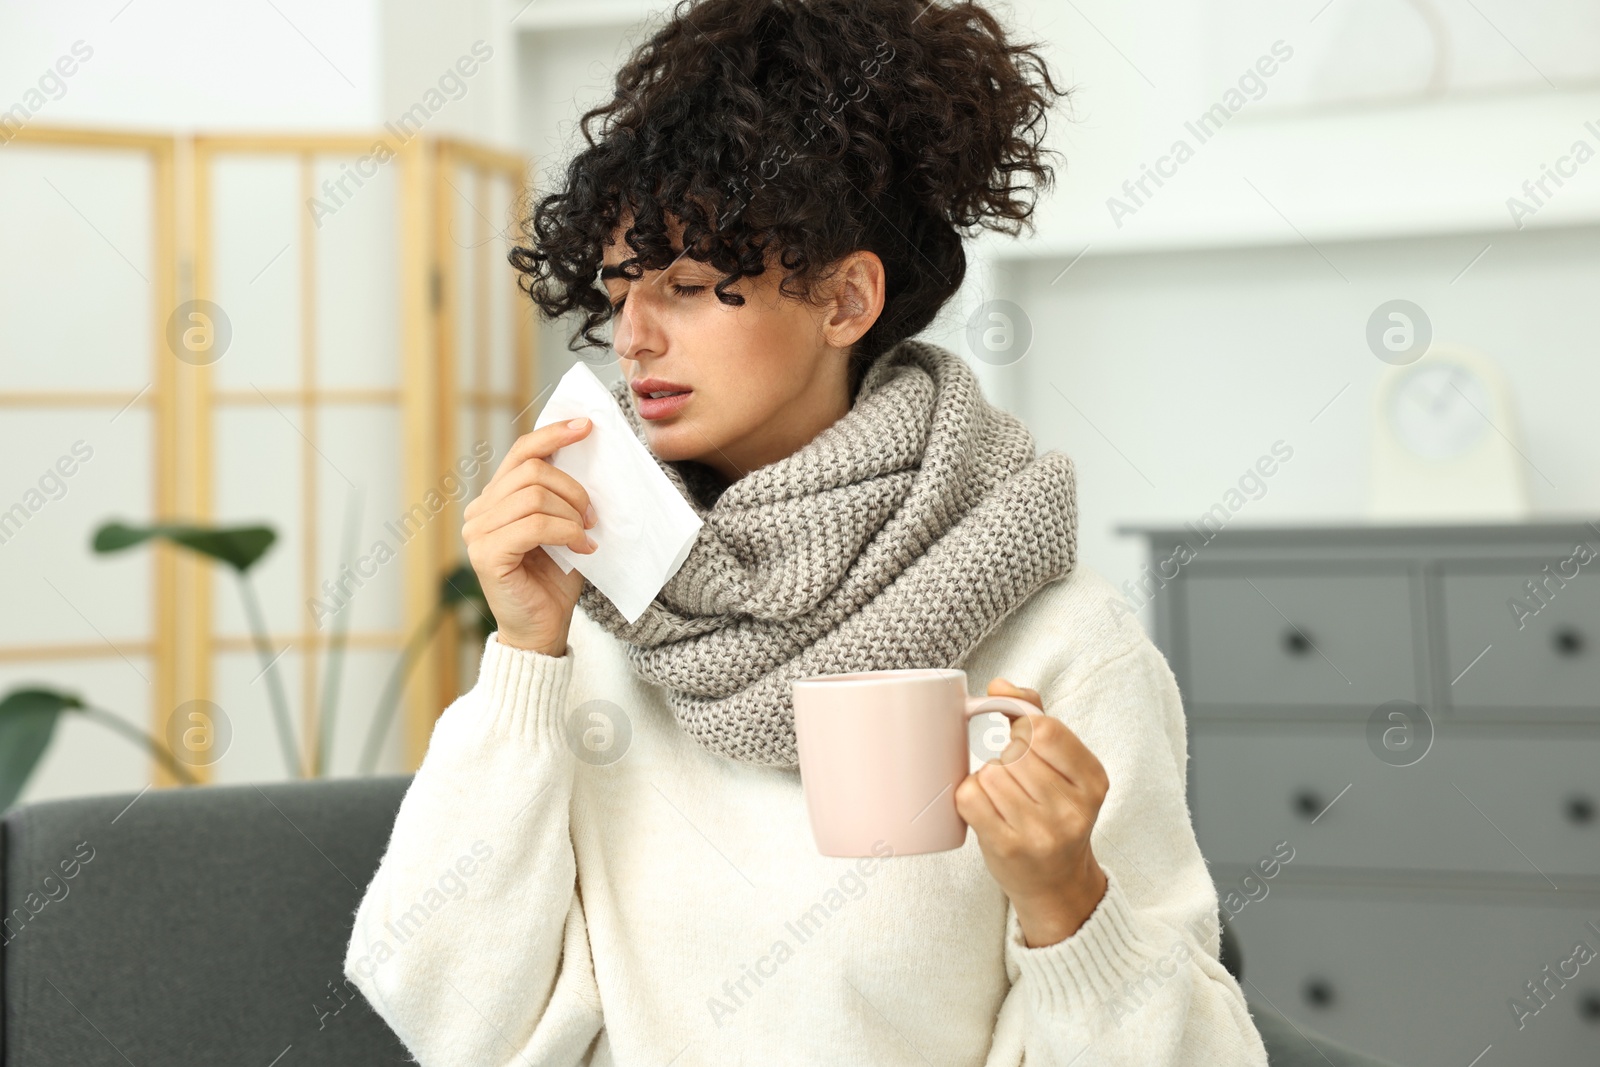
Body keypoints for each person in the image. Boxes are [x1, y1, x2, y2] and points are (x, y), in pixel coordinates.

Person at [343, 1, 1270, 1063]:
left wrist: (1069, 903)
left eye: (687, 288)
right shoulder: (603, 613)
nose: (632, 337)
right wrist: (523, 656)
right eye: (616, 292)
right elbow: (448, 1012)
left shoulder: (1059, 641)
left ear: (844, 299)